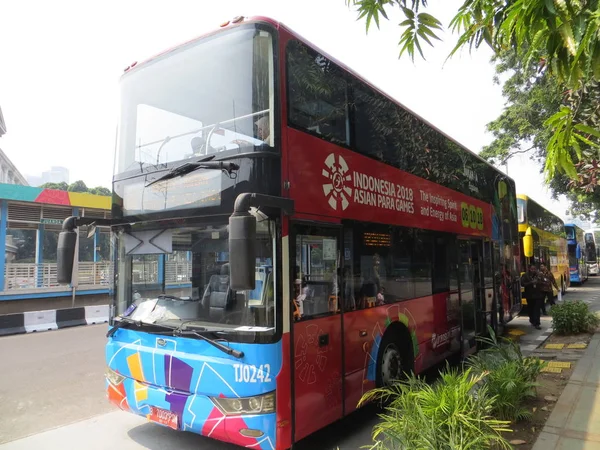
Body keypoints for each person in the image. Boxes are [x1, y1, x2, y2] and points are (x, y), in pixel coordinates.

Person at [521, 265, 543, 329]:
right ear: (529, 269)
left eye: (534, 269)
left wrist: (538, 282)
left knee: (537, 310)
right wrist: (531, 283)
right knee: (530, 309)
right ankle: (532, 320)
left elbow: (542, 282)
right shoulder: (525, 275)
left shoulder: (539, 275)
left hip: (537, 295)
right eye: (532, 269)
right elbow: (522, 284)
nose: (533, 270)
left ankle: (537, 323)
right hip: (529, 295)